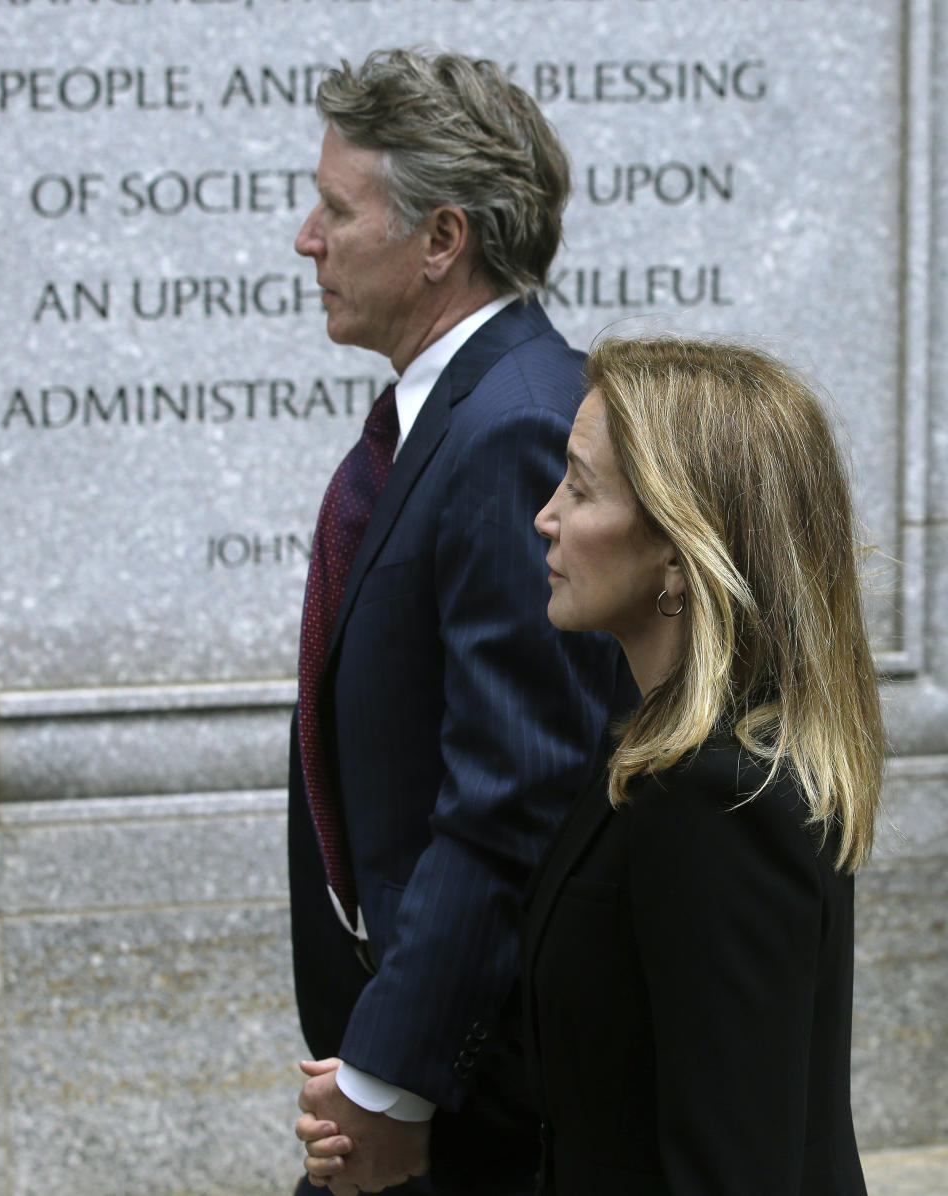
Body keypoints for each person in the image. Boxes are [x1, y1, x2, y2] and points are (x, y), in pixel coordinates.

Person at [287, 49, 625, 1196]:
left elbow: (517, 786)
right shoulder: (453, 411)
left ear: (443, 239)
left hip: (473, 1103)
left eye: (336, 209)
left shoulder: (514, 428)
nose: (306, 239)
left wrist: (392, 1081)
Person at [523, 335, 883, 1194]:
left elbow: (733, 1166)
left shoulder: (719, 797)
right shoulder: (666, 749)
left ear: (679, 555)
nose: (547, 515)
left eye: (579, 486)